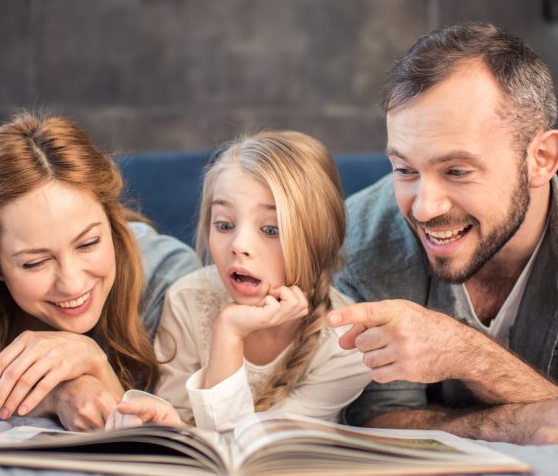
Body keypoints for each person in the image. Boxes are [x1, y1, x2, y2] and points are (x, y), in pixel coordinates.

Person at [327, 22, 558, 446]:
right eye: (405, 170)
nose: (423, 208)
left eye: (457, 171)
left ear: (541, 159)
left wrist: (466, 353)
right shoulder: (362, 240)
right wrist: (516, 423)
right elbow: (379, 421)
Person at [0, 112, 198, 431]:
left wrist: (94, 362)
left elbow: (174, 438)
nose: (72, 283)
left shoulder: (170, 275)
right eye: (35, 262)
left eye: (89, 243)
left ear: (112, 219)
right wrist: (60, 393)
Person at [114, 131, 372, 432]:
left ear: (318, 239)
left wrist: (229, 333)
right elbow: (176, 423)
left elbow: (250, 446)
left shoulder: (347, 342)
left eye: (271, 230)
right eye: (224, 225)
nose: (239, 245)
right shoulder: (187, 299)